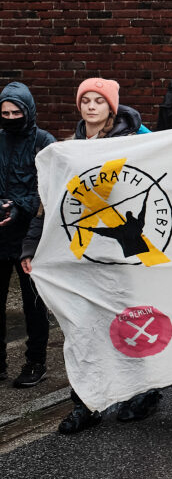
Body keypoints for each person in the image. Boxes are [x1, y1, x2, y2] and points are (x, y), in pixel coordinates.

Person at [21, 79, 158, 433]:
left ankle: (143, 391)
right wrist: (31, 247)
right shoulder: (68, 150)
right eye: (86, 101)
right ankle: (86, 402)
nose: (92, 106)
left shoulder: (136, 145)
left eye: (99, 101)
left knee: (131, 323)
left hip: (124, 259)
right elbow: (48, 205)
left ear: (111, 107)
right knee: (82, 331)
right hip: (80, 259)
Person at [1, 83, 53, 392]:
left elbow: (46, 187)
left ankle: (36, 362)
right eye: (5, 113)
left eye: (16, 112)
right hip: (0, 232)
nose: (10, 117)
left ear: (28, 110)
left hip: (30, 236)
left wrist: (21, 208)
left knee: (33, 305)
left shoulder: (43, 141)